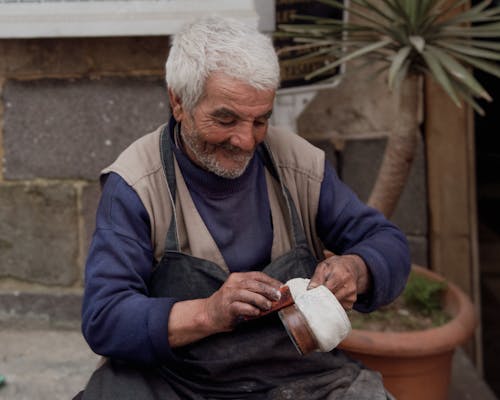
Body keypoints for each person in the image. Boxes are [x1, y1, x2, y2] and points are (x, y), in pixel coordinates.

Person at [77, 15, 410, 400]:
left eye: (260, 120)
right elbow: (105, 318)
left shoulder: (295, 162)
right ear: (178, 101)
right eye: (226, 119)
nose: (246, 140)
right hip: (176, 379)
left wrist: (359, 269)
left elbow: (388, 242)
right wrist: (208, 313)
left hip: (295, 375)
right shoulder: (136, 183)